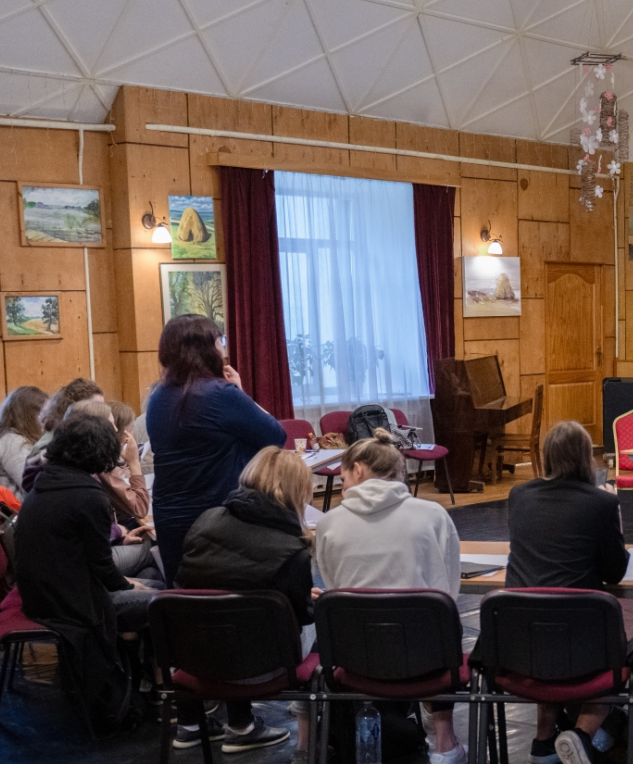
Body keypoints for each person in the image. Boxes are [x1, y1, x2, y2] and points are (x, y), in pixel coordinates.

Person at [313, 428, 465, 764]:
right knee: (442, 618)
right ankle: (444, 741)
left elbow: (334, 584)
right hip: (425, 655)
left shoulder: (328, 524)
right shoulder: (433, 515)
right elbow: (449, 589)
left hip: (357, 656)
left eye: (343, 471)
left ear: (359, 470)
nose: (340, 478)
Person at [14, 412, 158, 727]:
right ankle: (166, 692)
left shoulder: (48, 481)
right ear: (98, 452)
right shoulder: (87, 496)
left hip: (44, 594)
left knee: (150, 578)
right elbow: (104, 571)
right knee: (166, 601)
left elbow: (90, 562)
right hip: (72, 605)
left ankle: (142, 683)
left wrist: (132, 583)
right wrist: (132, 586)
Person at [172, 446, 312, 753]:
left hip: (195, 660)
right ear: (299, 490)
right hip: (261, 668)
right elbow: (300, 618)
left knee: (227, 614)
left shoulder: (205, 520)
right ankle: (300, 727)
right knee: (313, 623)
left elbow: (185, 585)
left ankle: (207, 724)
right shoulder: (294, 550)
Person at [506, 422, 629, 764]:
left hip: (520, 643)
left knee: (547, 633)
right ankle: (582, 736)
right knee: (610, 648)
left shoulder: (519, 496)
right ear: (585, 459)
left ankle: (543, 744)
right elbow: (615, 571)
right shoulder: (601, 504)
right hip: (584, 643)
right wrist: (614, 513)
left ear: (547, 457)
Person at [146, 314, 286, 584]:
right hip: (218, 515)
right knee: (226, 601)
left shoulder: (157, 399)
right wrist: (240, 392)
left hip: (169, 516)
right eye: (219, 340)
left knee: (186, 599)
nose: (222, 347)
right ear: (207, 348)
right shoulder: (222, 394)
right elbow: (275, 436)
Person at [65, 400, 159, 583]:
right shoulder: (93, 471)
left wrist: (118, 535)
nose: (117, 430)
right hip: (85, 570)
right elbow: (139, 507)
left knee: (151, 574)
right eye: (112, 426)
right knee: (155, 548)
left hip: (95, 554)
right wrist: (133, 463)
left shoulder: (80, 467)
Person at [22, 377, 104, 491]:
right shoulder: (48, 447)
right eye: (96, 408)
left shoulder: (78, 441)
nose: (102, 415)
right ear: (76, 410)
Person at [0, 385, 47, 501]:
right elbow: (35, 485)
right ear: (30, 416)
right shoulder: (11, 442)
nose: (46, 419)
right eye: (43, 413)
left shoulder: (6, 437)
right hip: (19, 515)